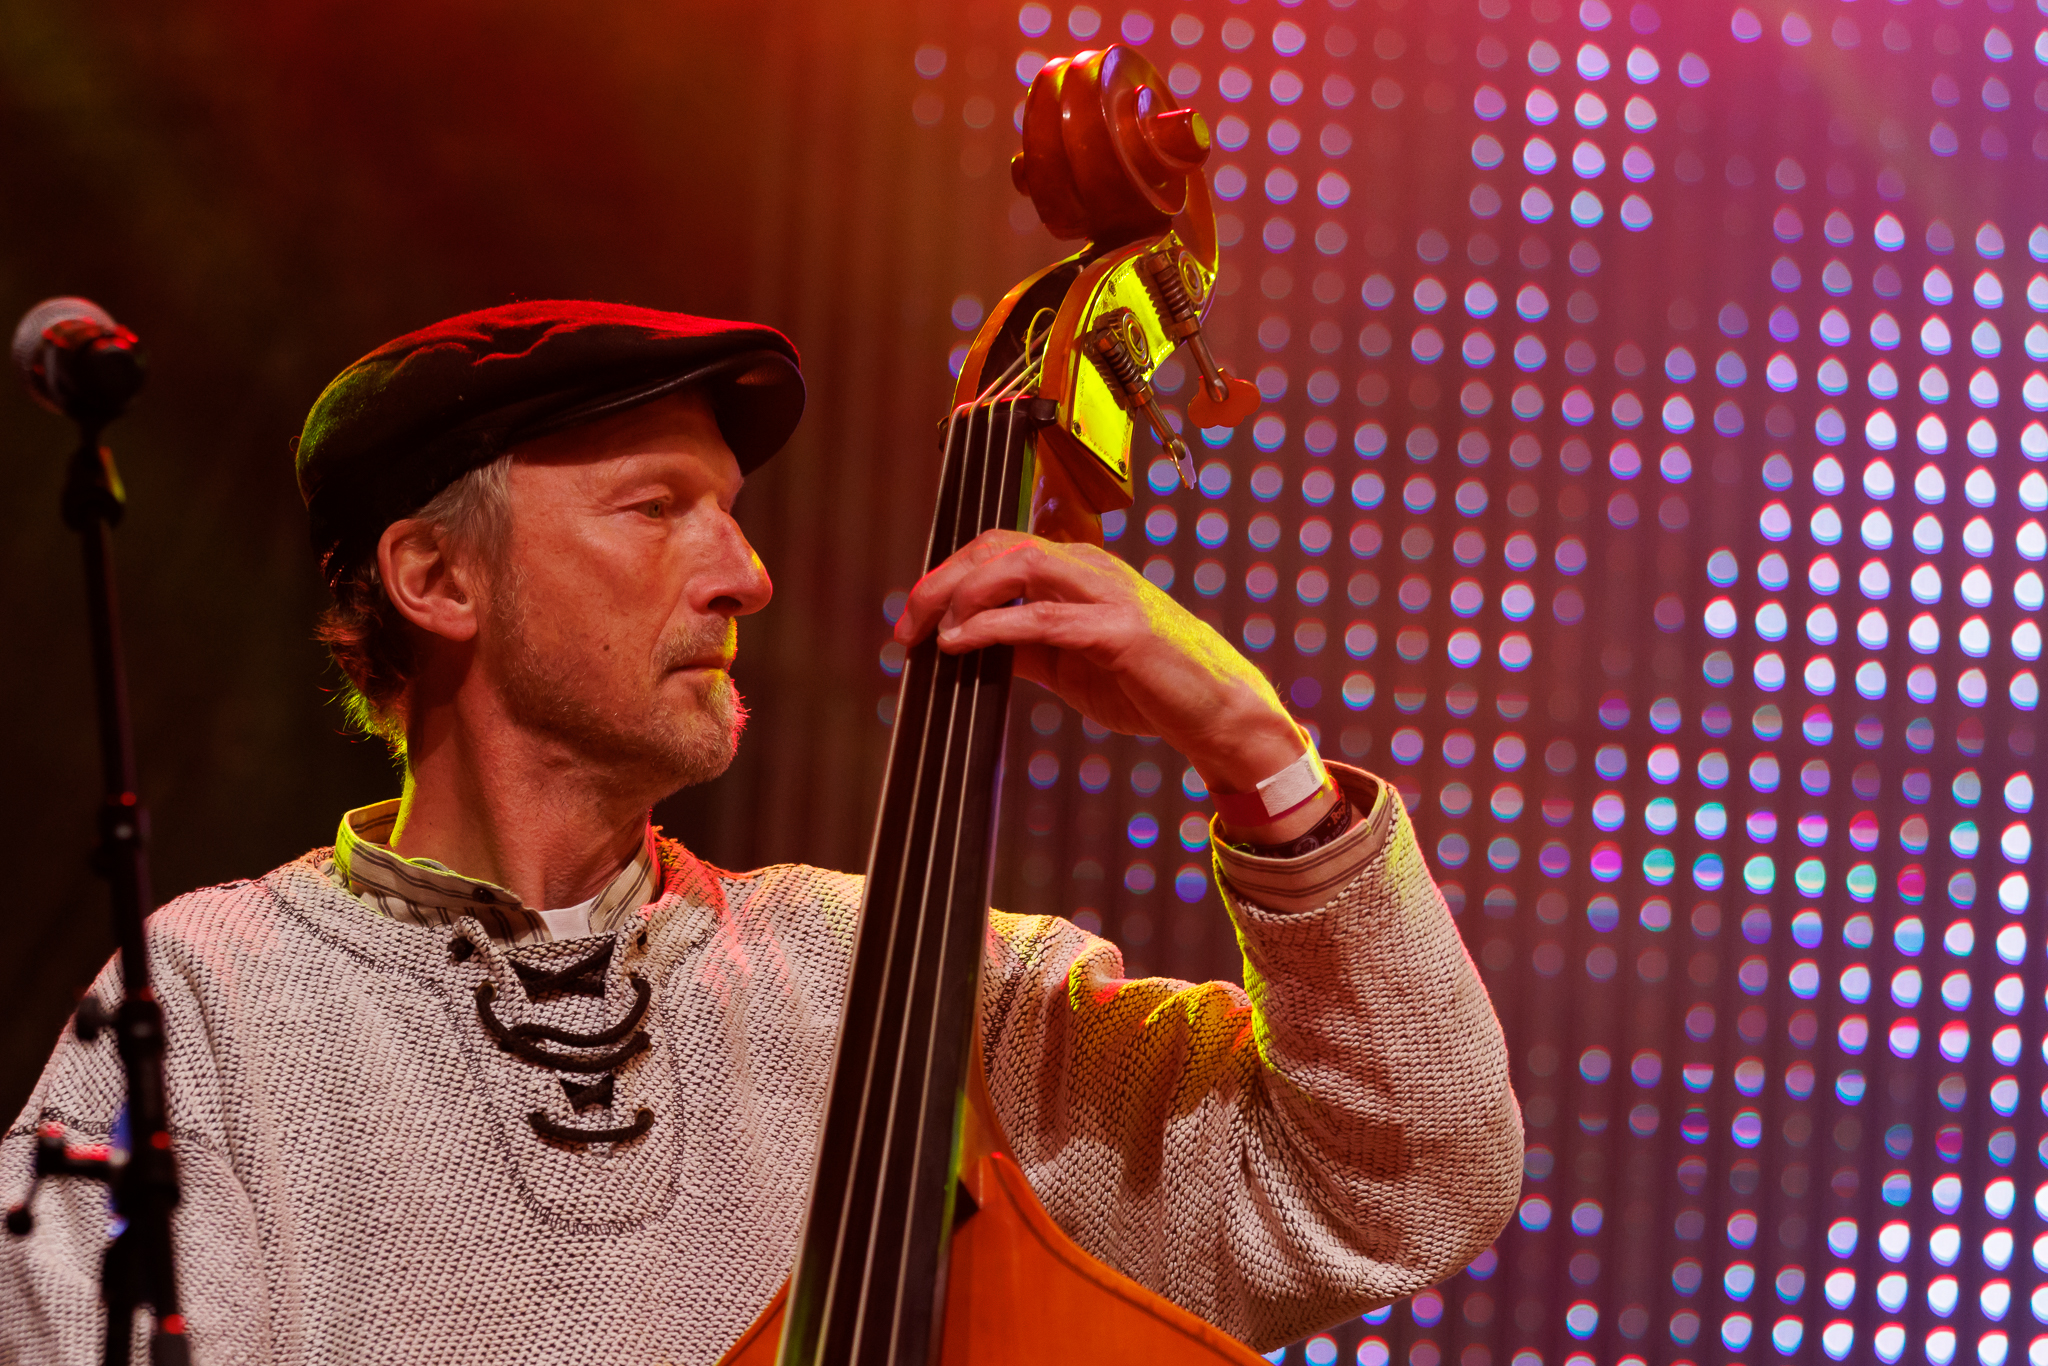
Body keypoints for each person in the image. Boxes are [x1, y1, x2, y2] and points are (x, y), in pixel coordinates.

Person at [0, 302, 1521, 1365]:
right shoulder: (212, 994)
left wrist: (1258, 754)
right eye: (657, 506)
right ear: (435, 579)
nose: (746, 573)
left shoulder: (891, 980)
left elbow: (1405, 1176)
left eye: (730, 509)